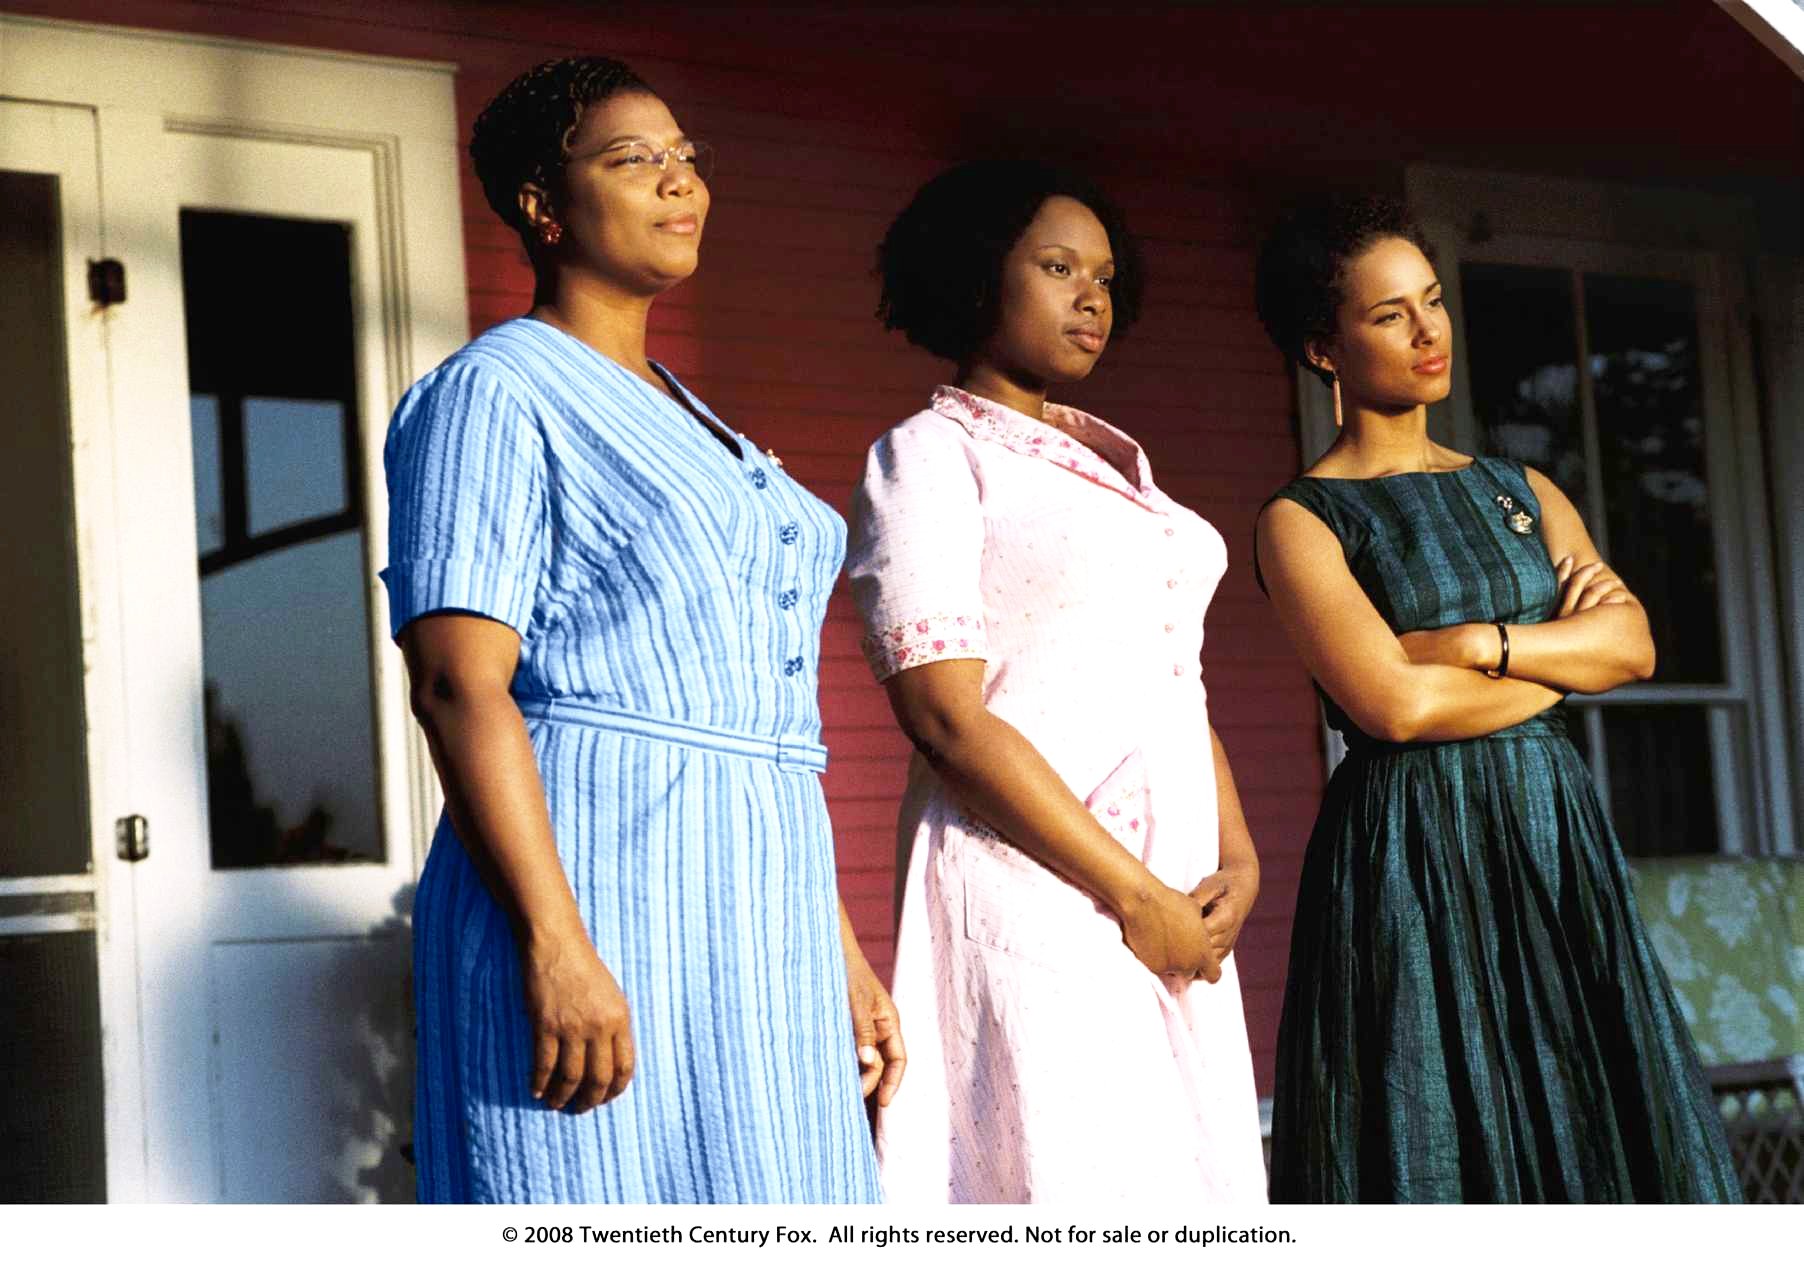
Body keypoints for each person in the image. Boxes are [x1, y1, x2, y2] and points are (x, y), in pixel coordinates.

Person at [382, 56, 900, 1204]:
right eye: (632, 159)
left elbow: (757, 718)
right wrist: (555, 946)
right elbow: (460, 687)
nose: (679, 183)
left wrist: (842, 954)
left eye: (685, 159)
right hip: (602, 882)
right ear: (540, 202)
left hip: (758, 901)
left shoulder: (689, 411)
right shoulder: (494, 392)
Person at [1251, 193, 1741, 1203]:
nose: (1430, 331)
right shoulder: (1303, 520)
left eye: (1431, 300)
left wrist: (1481, 644)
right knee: (1432, 1117)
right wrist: (1561, 666)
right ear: (1323, 348)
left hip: (1550, 831)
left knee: (1587, 1093)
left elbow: (1636, 644)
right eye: (1389, 314)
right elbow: (1393, 709)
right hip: (1409, 851)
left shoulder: (1522, 490)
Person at [846, 161, 1269, 1204]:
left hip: (1173, 903)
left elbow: (1174, 672)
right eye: (1056, 266)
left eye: (1106, 276)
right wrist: (1132, 893)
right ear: (978, 275)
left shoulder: (1113, 465)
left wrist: (1240, 859)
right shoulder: (930, 457)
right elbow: (945, 717)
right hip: (1039, 886)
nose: (1092, 296)